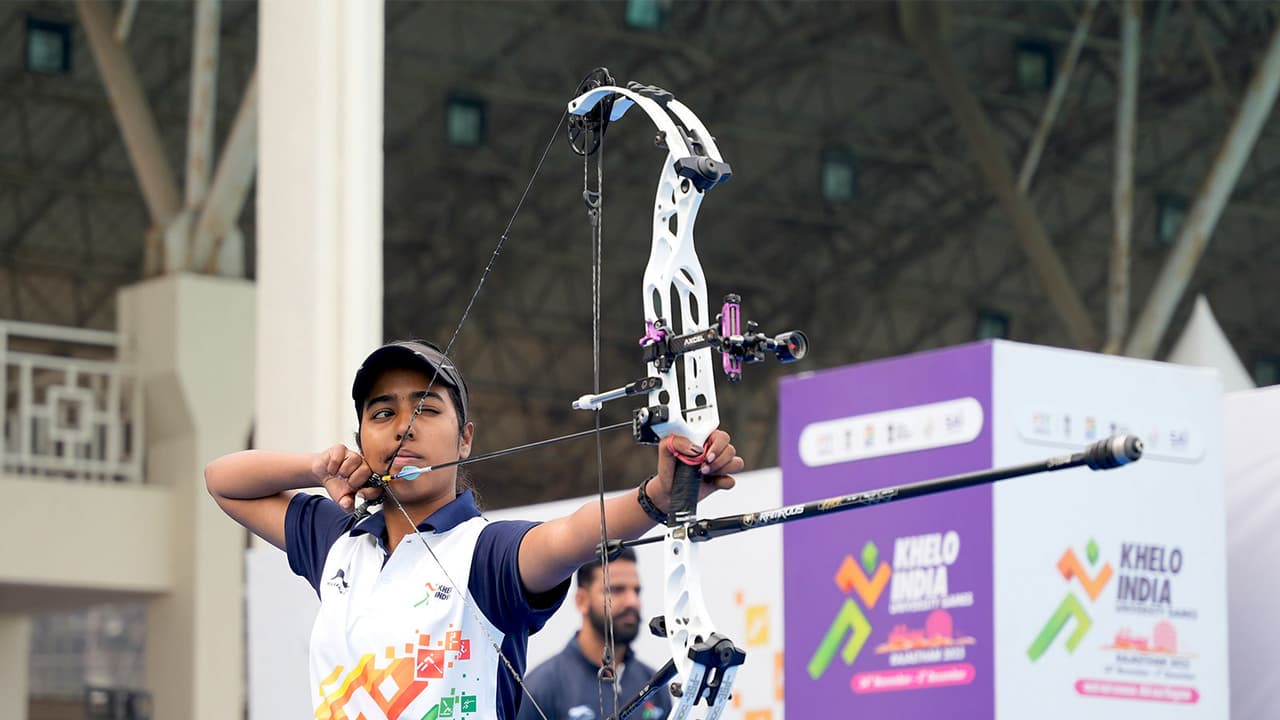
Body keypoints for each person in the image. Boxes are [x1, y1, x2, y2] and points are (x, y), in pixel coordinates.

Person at [204, 340, 742, 720]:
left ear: (464, 439)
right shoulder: (339, 543)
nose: (404, 427)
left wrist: (658, 496)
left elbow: (571, 535)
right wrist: (317, 468)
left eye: (426, 409)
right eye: (382, 413)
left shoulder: (485, 554)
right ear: (362, 438)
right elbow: (222, 481)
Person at [516, 548, 670, 720]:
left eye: (636, 591)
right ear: (581, 600)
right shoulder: (542, 687)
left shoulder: (656, 685)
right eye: (616, 590)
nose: (632, 601)